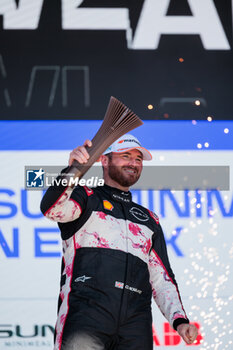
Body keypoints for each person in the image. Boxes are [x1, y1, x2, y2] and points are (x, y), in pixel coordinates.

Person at [40, 134, 198, 350]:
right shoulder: (85, 197)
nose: (133, 163)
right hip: (86, 315)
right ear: (104, 160)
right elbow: (52, 208)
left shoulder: (148, 220)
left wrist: (180, 321)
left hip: (135, 325)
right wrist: (74, 169)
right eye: (126, 156)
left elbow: (162, 279)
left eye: (138, 159)